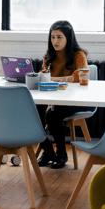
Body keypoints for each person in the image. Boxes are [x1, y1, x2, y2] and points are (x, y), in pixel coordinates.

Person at [36, 20, 95, 169]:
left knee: (52, 115)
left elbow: (82, 75)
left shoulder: (78, 55)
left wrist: (55, 79)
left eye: (59, 37)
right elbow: (44, 75)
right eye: (52, 37)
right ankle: (48, 151)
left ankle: (61, 154)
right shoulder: (49, 55)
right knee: (33, 111)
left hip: (77, 100)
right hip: (54, 97)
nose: (55, 41)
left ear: (68, 37)